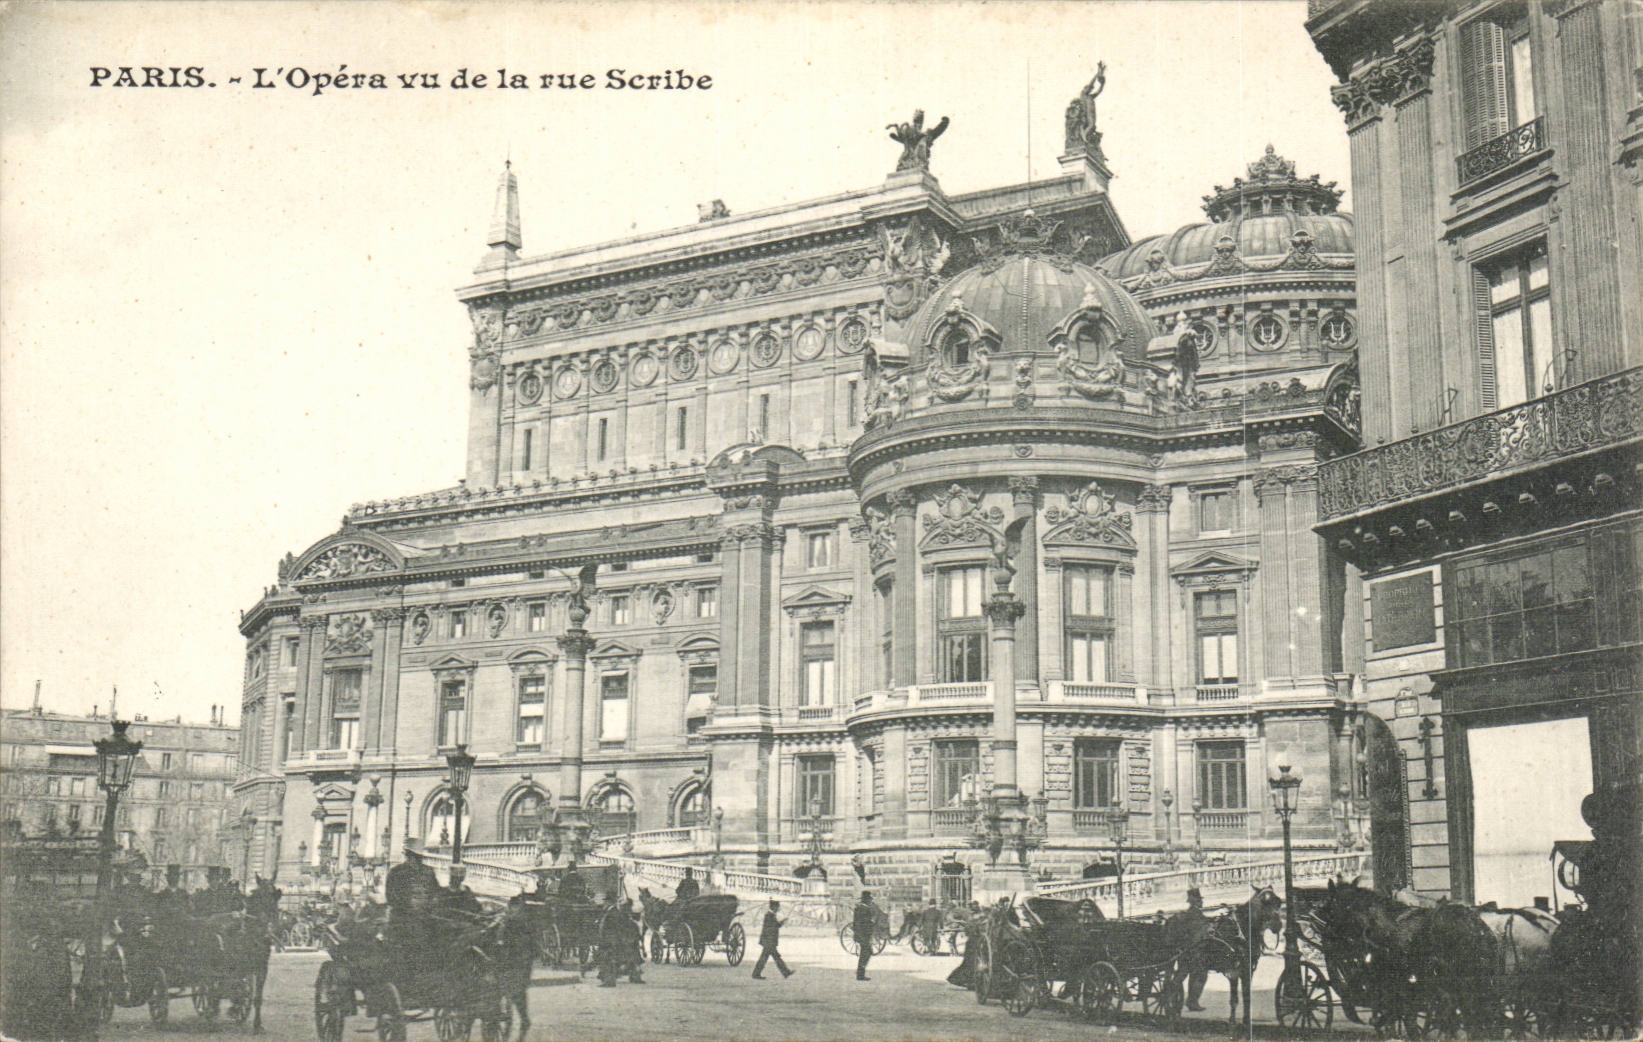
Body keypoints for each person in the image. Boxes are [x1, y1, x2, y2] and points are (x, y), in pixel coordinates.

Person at [384, 842, 440, 925]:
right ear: (408, 856)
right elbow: (391, 897)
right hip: (403, 918)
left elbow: (436, 892)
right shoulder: (396, 872)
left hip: (424, 918)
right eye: (415, 857)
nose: (416, 861)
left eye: (419, 858)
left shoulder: (428, 871)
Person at [1179, 887, 1210, 1011]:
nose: (1202, 902)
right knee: (1201, 975)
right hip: (1193, 952)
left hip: (1188, 951)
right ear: (1196, 901)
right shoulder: (1195, 914)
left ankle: (1191, 1001)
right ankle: (1192, 1001)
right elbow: (1199, 930)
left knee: (1189, 976)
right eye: (1199, 900)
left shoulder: (1193, 913)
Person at [750, 900, 793, 979]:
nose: (778, 909)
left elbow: (774, 926)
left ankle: (785, 972)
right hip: (769, 941)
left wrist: (782, 922)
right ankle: (785, 972)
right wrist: (782, 922)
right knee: (773, 958)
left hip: (768, 941)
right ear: (774, 907)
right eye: (777, 907)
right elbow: (774, 927)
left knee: (770, 957)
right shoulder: (769, 915)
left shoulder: (770, 915)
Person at [851, 891, 877, 981]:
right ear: (866, 900)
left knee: (865, 953)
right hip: (863, 934)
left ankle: (860, 973)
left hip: (862, 934)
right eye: (869, 899)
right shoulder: (863, 909)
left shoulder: (860, 908)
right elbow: (861, 922)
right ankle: (860, 974)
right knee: (866, 953)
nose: (870, 901)